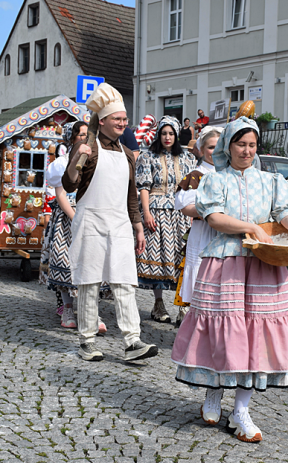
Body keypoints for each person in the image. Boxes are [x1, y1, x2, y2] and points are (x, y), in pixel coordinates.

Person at [171, 117, 288, 443]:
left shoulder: (271, 181)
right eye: (241, 144)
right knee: (220, 332)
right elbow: (214, 218)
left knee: (256, 336)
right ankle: (213, 391)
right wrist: (249, 227)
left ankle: (241, 409)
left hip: (263, 263)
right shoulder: (215, 180)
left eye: (252, 145)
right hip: (225, 261)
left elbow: (285, 213)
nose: (247, 151)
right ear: (229, 146)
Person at [63, 82, 157, 363]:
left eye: (125, 119)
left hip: (119, 225)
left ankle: (132, 342)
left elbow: (130, 196)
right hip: (90, 221)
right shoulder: (86, 148)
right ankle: (87, 341)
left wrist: (138, 226)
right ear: (101, 121)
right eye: (118, 119)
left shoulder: (128, 155)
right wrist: (76, 160)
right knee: (89, 283)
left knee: (124, 282)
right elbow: (69, 183)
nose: (123, 124)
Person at [40, 121, 108, 333]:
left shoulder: (96, 159)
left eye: (88, 135)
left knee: (93, 264)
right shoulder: (61, 163)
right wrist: (75, 216)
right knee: (67, 264)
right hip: (68, 216)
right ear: (72, 138)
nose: (85, 138)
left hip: (92, 213)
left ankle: (92, 312)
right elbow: (60, 193)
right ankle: (68, 309)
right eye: (81, 135)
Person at [135, 116, 195, 324]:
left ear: (176, 135)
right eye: (164, 133)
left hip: (181, 213)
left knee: (182, 259)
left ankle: (182, 307)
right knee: (158, 258)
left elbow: (191, 188)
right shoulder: (148, 156)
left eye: (171, 133)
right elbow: (143, 187)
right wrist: (147, 212)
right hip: (156, 211)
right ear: (159, 135)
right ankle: (158, 304)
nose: (167, 137)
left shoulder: (187, 158)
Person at [173, 126, 222, 311]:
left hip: (227, 233)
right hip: (204, 233)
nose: (215, 151)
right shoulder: (196, 175)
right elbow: (185, 207)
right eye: (210, 147)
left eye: (219, 146)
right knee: (202, 282)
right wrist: (212, 212)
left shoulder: (229, 173)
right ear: (201, 149)